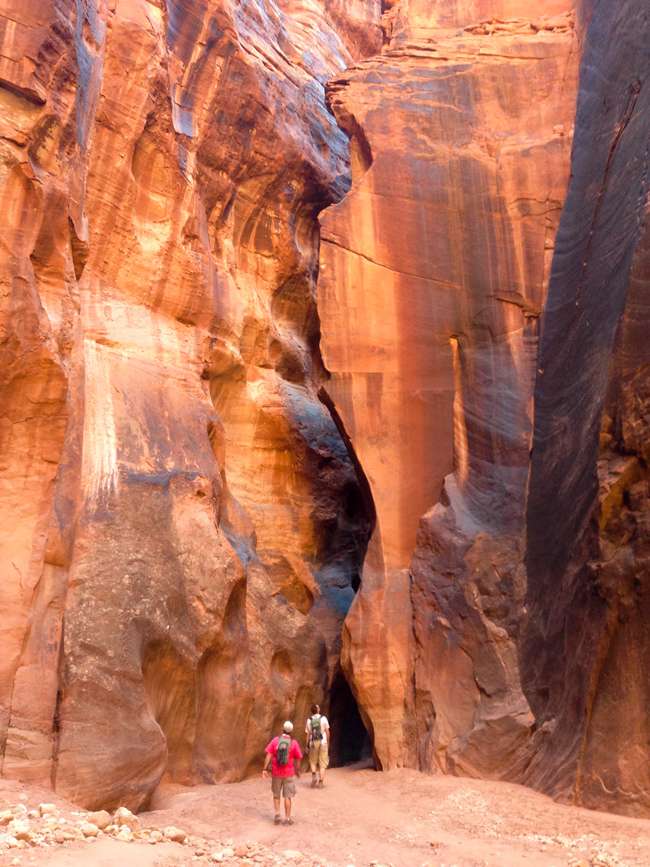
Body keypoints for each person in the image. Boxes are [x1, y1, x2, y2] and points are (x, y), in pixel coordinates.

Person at [262, 720, 303, 825]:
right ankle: (288, 818)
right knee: (287, 796)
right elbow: (298, 759)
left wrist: (265, 769)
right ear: (291, 731)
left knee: (276, 795)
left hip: (276, 772)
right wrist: (297, 771)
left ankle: (277, 815)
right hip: (289, 773)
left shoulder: (276, 741)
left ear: (283, 729)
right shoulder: (294, 743)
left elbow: (268, 755)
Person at [305, 703, 330, 788]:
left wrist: (307, 745)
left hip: (313, 742)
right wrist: (328, 741)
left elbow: (308, 734)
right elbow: (327, 731)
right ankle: (321, 782)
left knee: (313, 761)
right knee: (322, 763)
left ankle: (314, 776)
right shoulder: (323, 718)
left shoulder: (309, 720)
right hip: (323, 742)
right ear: (318, 710)